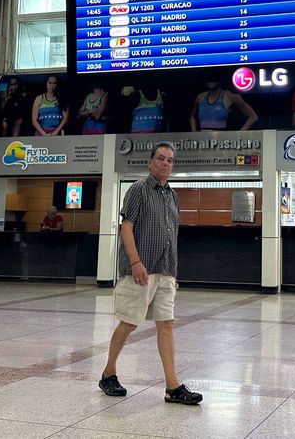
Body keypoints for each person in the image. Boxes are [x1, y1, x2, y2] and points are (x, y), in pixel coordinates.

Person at [99, 142, 203, 406]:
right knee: (130, 322)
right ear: (150, 162)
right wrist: (135, 262)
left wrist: (173, 269)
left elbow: (171, 234)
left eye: (169, 160)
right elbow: (126, 228)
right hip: (140, 270)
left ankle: (172, 386)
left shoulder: (172, 196)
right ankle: (108, 373)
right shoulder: (138, 190)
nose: (165, 163)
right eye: (160, 158)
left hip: (166, 270)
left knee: (166, 323)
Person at [189, 81, 258, 131]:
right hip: (203, 143)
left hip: (222, 142)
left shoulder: (230, 96)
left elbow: (253, 116)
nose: (211, 81)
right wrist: (193, 129)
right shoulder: (200, 97)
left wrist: (240, 133)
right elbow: (192, 116)